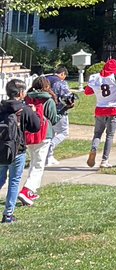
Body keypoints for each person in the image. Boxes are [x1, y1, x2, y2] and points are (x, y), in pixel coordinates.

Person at [1, 79, 42, 223]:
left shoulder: (1, 107)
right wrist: (34, 113)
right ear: (20, 93)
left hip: (1, 149)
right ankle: (8, 214)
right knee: (14, 182)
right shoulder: (24, 109)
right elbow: (35, 127)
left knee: (0, 179)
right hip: (17, 150)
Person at [17, 76, 58, 206]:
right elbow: (54, 119)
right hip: (44, 135)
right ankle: (26, 190)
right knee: (39, 165)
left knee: (34, 162)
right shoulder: (48, 100)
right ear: (46, 86)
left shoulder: (27, 98)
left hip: (29, 134)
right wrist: (64, 110)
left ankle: (31, 190)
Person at [85, 58, 116, 168]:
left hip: (99, 110)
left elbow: (87, 92)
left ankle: (94, 148)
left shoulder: (95, 77)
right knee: (109, 136)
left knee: (97, 134)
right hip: (113, 110)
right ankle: (104, 160)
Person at [44, 66, 75, 166]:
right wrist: (70, 103)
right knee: (64, 132)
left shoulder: (45, 79)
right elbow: (67, 97)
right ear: (62, 74)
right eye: (64, 76)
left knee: (50, 133)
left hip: (45, 111)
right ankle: (50, 147)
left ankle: (48, 157)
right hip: (58, 110)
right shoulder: (61, 83)